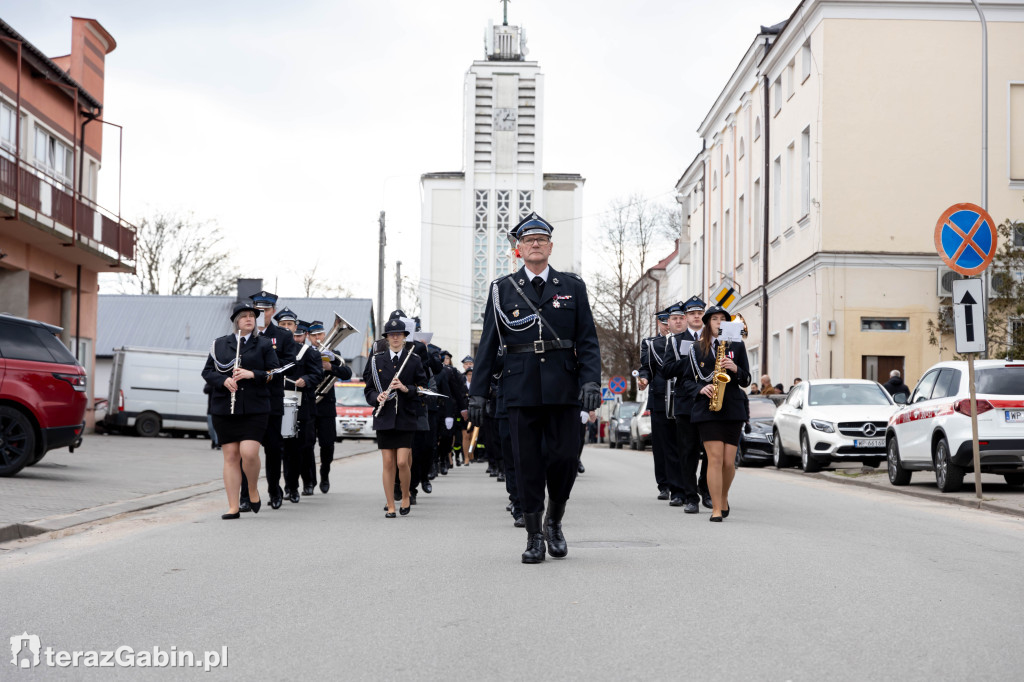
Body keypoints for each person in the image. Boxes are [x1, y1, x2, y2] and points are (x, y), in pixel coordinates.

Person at [469, 211, 602, 564]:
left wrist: (590, 380)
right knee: (526, 463)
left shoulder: (572, 287)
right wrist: (477, 392)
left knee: (563, 460)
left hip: (563, 387)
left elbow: (587, 340)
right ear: (519, 248)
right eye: (529, 240)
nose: (535, 244)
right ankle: (534, 535)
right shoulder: (502, 289)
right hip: (520, 387)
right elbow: (488, 343)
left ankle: (554, 521)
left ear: (551, 246)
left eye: (541, 239)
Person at [202, 302, 280, 519]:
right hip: (225, 408)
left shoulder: (263, 344)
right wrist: (223, 379)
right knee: (231, 456)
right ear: (235, 320)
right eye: (244, 316)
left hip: (255, 408)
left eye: (252, 316)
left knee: (249, 453)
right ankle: (233, 506)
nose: (249, 319)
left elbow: (275, 373)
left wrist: (252, 374)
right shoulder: (219, 344)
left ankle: (252, 488)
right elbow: (207, 372)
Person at [689, 305, 751, 522]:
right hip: (708, 408)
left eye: (722, 319)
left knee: (728, 462)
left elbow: (746, 379)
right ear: (708, 323)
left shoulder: (737, 346)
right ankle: (716, 508)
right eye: (714, 319)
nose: (718, 322)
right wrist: (700, 389)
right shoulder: (697, 348)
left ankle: (723, 497)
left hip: (733, 407)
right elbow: (688, 380)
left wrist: (735, 368)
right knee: (714, 459)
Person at [363, 317, 428, 517]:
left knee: (402, 462)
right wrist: (377, 396)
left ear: (405, 337)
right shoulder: (376, 360)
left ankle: (406, 495)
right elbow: (369, 390)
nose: (395, 338)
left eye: (399, 335)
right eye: (392, 335)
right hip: (384, 417)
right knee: (388, 463)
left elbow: (422, 388)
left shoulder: (413, 359)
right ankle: (391, 504)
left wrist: (405, 388)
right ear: (387, 338)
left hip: (405, 417)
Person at [663, 295, 713, 513]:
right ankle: (690, 496)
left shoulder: (713, 338)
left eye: (700, 313)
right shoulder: (675, 341)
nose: (696, 317)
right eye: (692, 313)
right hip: (686, 402)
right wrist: (691, 360)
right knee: (688, 451)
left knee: (711, 450)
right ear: (686, 317)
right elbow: (666, 370)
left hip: (710, 401)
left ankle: (706, 489)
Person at [308, 319, 353, 494]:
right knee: (308, 444)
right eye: (314, 335)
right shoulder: (304, 353)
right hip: (310, 404)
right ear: (308, 337)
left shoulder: (335, 353)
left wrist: (331, 365)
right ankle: (310, 481)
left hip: (326, 405)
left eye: (320, 334)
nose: (317, 338)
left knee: (327, 444)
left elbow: (347, 373)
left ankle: (324, 473)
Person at [282, 320, 323, 503]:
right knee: (282, 449)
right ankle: (283, 487)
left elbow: (317, 374)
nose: (294, 335)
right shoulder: (278, 350)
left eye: (297, 332)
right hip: (280, 403)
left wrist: (305, 379)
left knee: (299, 448)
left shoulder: (309, 353)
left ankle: (294, 486)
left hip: (302, 404)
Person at [636, 309, 672, 499]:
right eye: (664, 322)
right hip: (658, 398)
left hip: (680, 398)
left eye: (671, 321)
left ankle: (681, 484)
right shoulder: (650, 343)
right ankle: (664, 485)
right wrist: (643, 380)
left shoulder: (684, 341)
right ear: (659, 323)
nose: (667, 326)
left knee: (681, 443)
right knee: (660, 445)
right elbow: (646, 368)